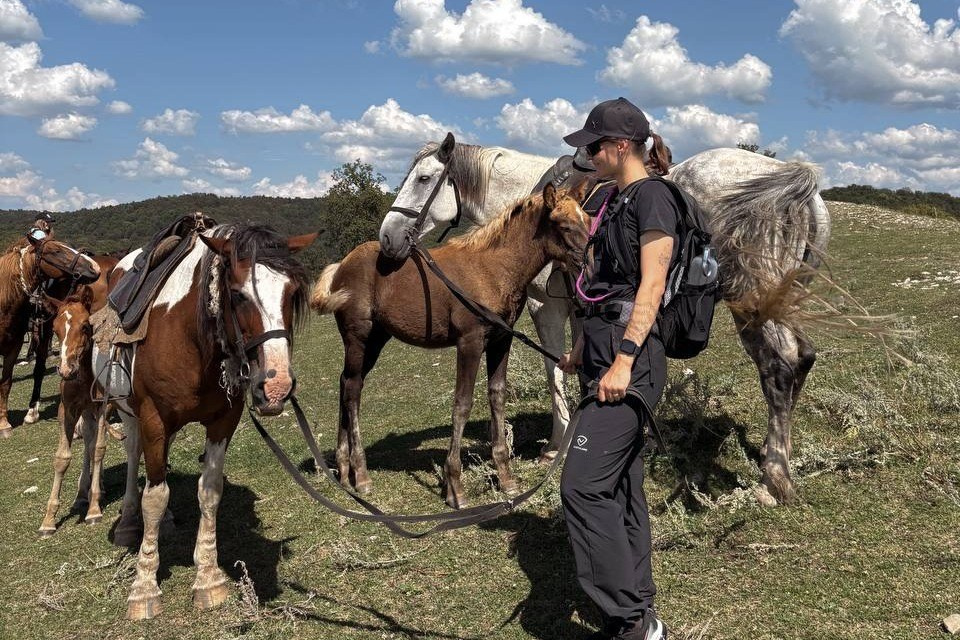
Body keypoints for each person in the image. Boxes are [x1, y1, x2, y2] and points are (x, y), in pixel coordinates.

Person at [558, 97, 677, 640]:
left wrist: (624, 360)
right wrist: (585, 345)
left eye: (593, 145)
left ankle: (628, 620)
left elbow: (651, 285)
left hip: (632, 361)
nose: (588, 155)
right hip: (605, 352)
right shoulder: (616, 199)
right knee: (621, 483)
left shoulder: (652, 197)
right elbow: (604, 287)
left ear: (620, 146)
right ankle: (641, 607)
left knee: (582, 485)